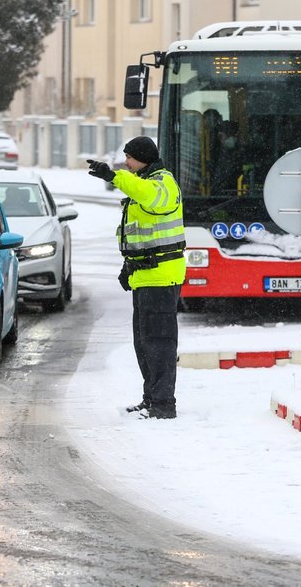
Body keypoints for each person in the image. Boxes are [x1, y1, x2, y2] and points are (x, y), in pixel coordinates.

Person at [86, 136, 186, 420]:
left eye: (130, 157)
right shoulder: (145, 183)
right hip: (145, 275)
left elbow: (145, 193)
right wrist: (129, 265)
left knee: (160, 345)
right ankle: (151, 398)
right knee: (144, 344)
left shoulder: (162, 184)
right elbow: (143, 234)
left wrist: (112, 175)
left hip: (161, 276)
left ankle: (164, 405)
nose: (126, 163)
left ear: (143, 157)